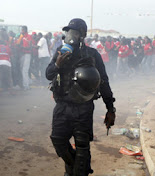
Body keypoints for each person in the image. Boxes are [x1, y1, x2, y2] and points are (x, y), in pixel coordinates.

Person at [46, 18, 116, 176]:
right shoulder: (60, 51)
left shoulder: (92, 54)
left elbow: (103, 81)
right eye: (69, 31)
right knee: (58, 140)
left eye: (75, 32)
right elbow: (48, 74)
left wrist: (110, 108)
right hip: (63, 105)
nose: (71, 35)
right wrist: (57, 64)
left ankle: (78, 172)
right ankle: (74, 169)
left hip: (83, 107)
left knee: (82, 147)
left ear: (83, 35)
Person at [19, 26, 32, 90]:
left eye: (22, 30)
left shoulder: (28, 36)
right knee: (22, 70)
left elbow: (30, 46)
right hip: (22, 55)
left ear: (25, 30)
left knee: (25, 70)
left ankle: (26, 86)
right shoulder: (21, 37)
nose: (21, 31)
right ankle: (28, 82)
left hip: (27, 54)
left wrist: (22, 47)